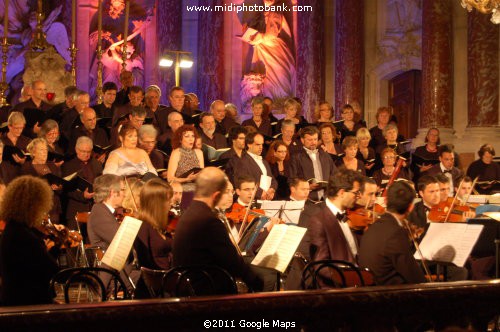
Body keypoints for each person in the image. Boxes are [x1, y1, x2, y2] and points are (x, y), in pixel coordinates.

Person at [172, 167, 264, 292]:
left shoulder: (188, 214)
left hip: (187, 285)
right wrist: (257, 283)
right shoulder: (209, 221)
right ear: (216, 195)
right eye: (225, 193)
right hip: (208, 290)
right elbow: (232, 262)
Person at [0, 175, 59, 305]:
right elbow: (51, 269)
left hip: (16, 298)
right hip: (26, 302)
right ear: (33, 206)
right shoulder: (22, 234)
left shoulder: (14, 228)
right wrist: (56, 245)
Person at [358, 181, 426, 285]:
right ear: (410, 207)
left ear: (385, 201)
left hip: (369, 289)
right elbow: (412, 275)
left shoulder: (373, 227)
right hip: (388, 294)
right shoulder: (396, 233)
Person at [307, 169, 363, 287]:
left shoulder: (348, 216)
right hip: (337, 289)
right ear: (342, 192)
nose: (359, 196)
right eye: (356, 192)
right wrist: (352, 279)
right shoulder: (319, 221)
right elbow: (321, 265)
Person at [241, 0, 295, 99]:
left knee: (278, 75)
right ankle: (269, 101)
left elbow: (272, 34)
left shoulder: (275, 11)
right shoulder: (262, 14)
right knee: (266, 78)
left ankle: (280, 100)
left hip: (274, 49)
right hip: (263, 49)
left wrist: (258, 37)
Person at [61, 136, 103, 229]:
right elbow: (66, 190)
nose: (86, 154)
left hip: (94, 208)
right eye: (83, 151)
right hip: (76, 209)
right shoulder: (68, 166)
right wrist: (82, 196)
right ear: (76, 150)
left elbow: (101, 183)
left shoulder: (97, 164)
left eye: (89, 152)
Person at [288, 126, 337, 202]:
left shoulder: (325, 155)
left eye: (315, 139)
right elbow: (292, 179)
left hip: (326, 199)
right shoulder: (296, 157)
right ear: (302, 140)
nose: (313, 142)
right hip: (307, 199)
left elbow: (335, 174)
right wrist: (307, 187)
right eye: (310, 140)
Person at [21, 138, 63, 224]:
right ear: (33, 152)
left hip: (53, 208)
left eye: (45, 150)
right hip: (36, 208)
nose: (45, 152)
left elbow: (61, 186)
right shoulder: (26, 168)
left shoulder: (53, 167)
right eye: (41, 150)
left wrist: (58, 187)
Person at [167, 125, 204, 207]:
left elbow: (201, 173)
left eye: (193, 136)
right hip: (182, 187)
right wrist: (187, 179)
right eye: (187, 136)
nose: (191, 139)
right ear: (180, 139)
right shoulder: (176, 153)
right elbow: (170, 178)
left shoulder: (199, 152)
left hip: (198, 186)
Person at [234, 132, 277, 200]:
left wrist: (272, 189)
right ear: (249, 144)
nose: (261, 147)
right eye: (257, 144)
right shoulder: (242, 162)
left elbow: (272, 179)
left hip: (266, 199)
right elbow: (243, 183)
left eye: (262, 144)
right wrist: (261, 193)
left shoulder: (264, 161)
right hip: (253, 200)